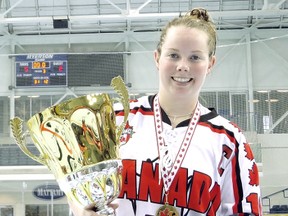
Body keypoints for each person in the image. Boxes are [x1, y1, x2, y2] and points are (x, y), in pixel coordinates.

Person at [69, 7, 262, 216]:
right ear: (157, 58)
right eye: (173, 55)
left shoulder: (229, 140)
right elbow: (79, 190)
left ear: (210, 64)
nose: (183, 66)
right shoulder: (115, 120)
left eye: (195, 57)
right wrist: (80, 210)